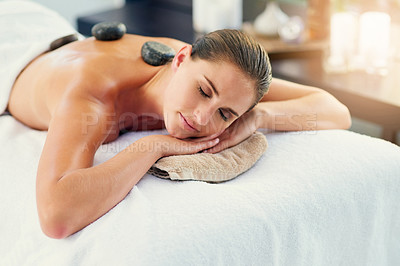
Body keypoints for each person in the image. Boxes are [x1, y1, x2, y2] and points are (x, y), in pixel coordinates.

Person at [7, 23, 350, 238]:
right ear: (181, 58)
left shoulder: (226, 79)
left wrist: (256, 118)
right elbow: (56, 216)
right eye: (203, 91)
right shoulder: (94, 95)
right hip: (14, 50)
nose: (202, 118)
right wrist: (152, 146)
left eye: (225, 113)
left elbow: (335, 111)